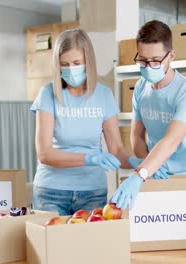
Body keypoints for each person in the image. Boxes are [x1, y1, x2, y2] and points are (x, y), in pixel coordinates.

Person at [110, 20, 186, 238]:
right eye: (143, 61)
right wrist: (147, 165)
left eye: (156, 61)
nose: (149, 67)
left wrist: (140, 174)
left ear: (171, 56)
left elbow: (170, 141)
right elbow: (137, 136)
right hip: (156, 185)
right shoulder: (140, 88)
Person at [30, 29, 133, 216]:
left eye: (76, 63)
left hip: (92, 193)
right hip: (50, 193)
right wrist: (89, 158)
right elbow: (45, 153)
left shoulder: (104, 95)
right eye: (64, 64)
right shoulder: (48, 94)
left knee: (88, 245)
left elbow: (116, 150)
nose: (70, 69)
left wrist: (141, 164)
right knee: (52, 245)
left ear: (88, 62)